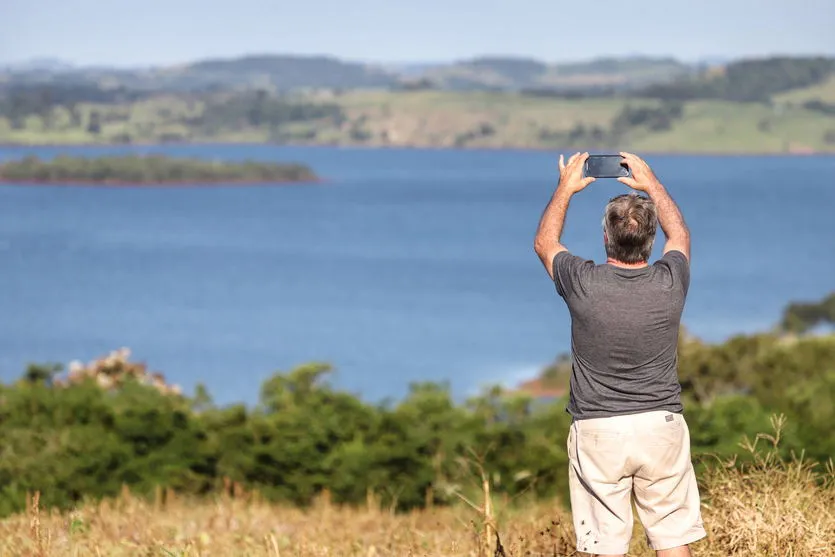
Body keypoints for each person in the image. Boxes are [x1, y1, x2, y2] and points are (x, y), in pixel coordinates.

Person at [532, 152, 706, 557]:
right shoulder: (671, 281)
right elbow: (679, 237)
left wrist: (566, 187)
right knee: (672, 537)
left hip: (598, 429)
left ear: (606, 238)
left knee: (604, 546)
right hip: (660, 424)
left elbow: (545, 243)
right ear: (649, 241)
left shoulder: (583, 282)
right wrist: (651, 183)